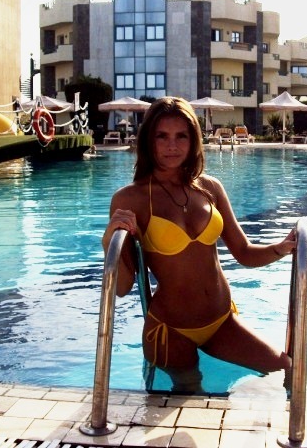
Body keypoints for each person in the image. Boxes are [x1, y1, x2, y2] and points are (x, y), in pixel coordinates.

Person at [102, 97, 295, 390]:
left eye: (181, 136)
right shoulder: (131, 198)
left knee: (286, 370)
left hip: (222, 321)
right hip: (171, 331)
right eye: (162, 136)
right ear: (148, 141)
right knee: (192, 399)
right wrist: (109, 241)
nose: (172, 146)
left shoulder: (210, 188)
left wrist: (282, 247)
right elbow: (122, 287)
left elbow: (244, 252)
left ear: (193, 140)